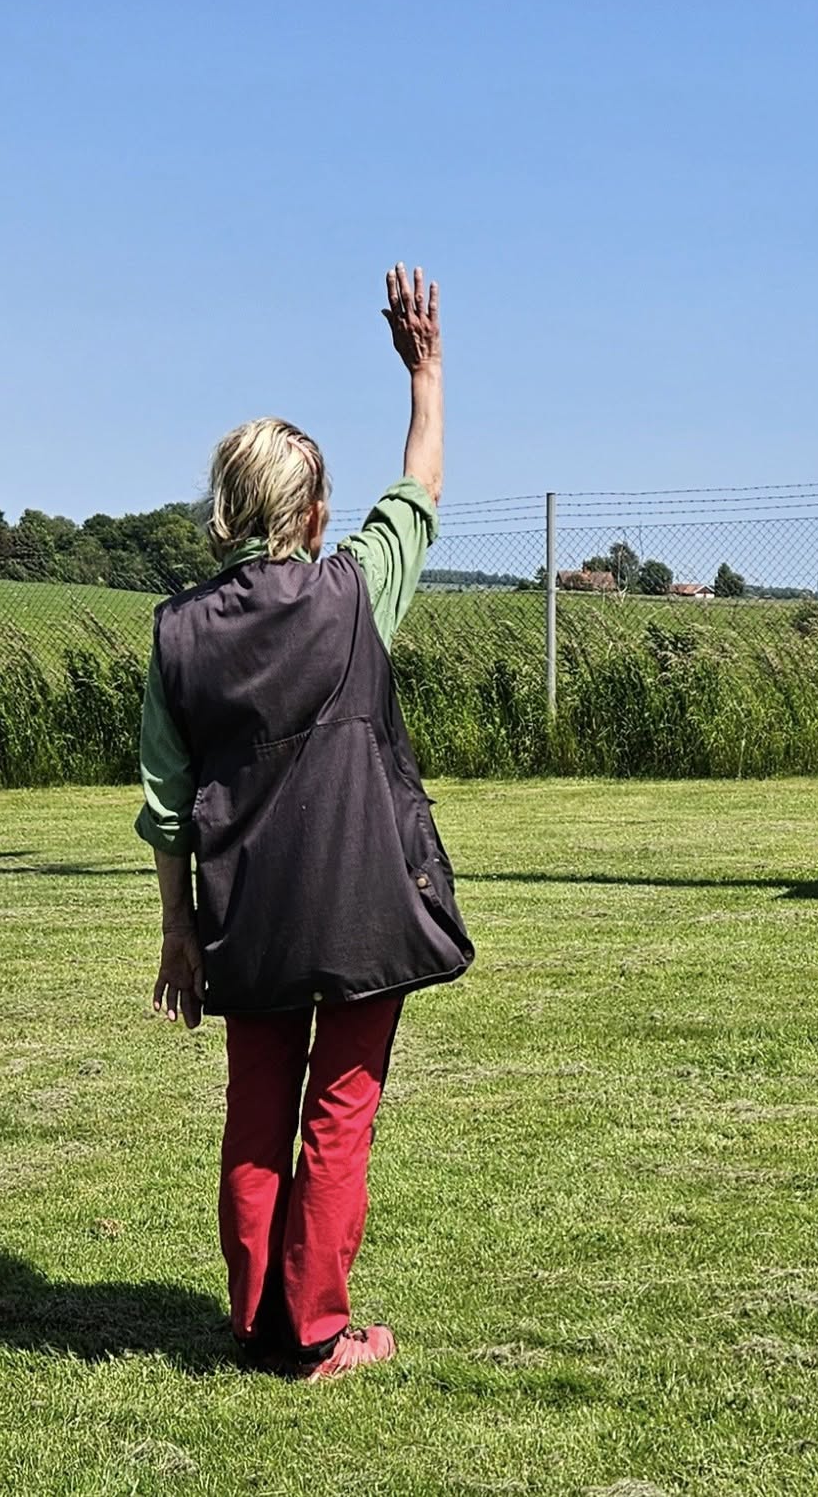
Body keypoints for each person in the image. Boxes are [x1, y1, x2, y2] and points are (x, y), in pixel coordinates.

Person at [135, 265, 473, 1382]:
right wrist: (423, 372)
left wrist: (180, 932)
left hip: (247, 914)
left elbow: (165, 805)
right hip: (365, 897)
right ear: (313, 514)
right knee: (340, 1112)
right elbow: (419, 483)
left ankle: (254, 1323)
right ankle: (319, 1334)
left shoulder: (176, 635)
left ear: (221, 506)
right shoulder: (354, 588)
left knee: (255, 1111)